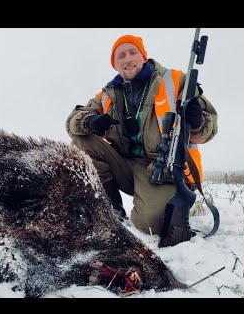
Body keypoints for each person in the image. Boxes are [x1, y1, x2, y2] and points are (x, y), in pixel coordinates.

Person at [65, 34, 218, 235]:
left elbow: (210, 129)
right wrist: (89, 121)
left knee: (149, 225)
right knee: (81, 139)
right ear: (115, 64)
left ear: (143, 56)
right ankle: (113, 213)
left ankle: (167, 201)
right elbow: (72, 122)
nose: (127, 59)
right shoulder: (108, 94)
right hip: (127, 166)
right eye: (120, 56)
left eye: (132, 52)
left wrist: (197, 121)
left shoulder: (176, 81)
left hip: (163, 170)